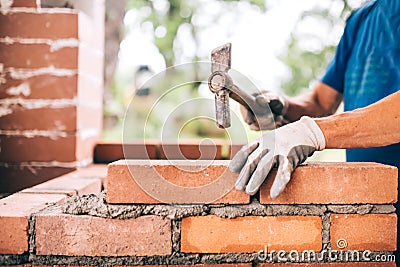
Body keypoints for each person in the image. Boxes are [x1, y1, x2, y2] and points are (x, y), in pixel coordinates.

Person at [231, 0, 400, 197]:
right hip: (374, 205)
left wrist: (313, 132)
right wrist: (282, 106)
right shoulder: (361, 20)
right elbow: (322, 102)